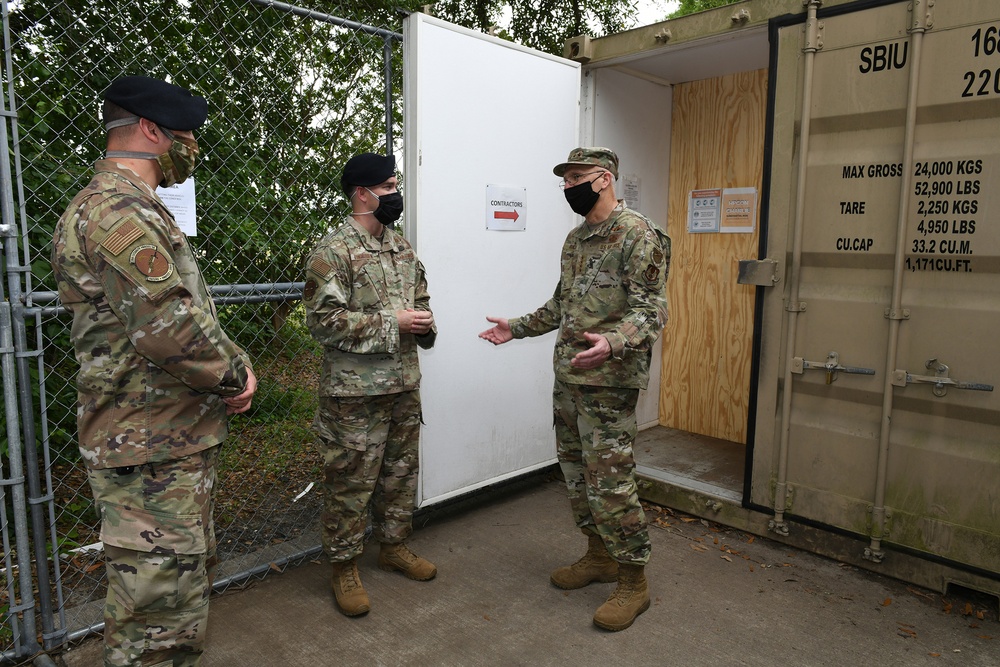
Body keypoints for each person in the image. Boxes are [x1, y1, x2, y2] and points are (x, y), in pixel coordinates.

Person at [51, 75, 257, 666]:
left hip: (164, 438)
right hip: (148, 445)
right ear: (150, 131)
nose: (191, 147)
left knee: (170, 595)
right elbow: (172, 332)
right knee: (157, 618)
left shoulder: (133, 209)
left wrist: (229, 365)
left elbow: (180, 311)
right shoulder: (118, 215)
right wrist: (235, 376)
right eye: (186, 136)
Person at [479, 147, 670, 632]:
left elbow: (652, 312)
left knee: (610, 481)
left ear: (604, 180)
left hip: (610, 385)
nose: (569, 187)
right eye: (565, 181)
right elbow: (561, 304)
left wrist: (613, 342)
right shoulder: (576, 239)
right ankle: (598, 555)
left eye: (577, 178)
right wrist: (515, 328)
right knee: (576, 473)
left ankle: (633, 581)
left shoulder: (638, 235)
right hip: (569, 381)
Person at [303, 152, 437, 617]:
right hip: (354, 395)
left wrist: (423, 323)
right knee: (350, 483)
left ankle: (394, 546)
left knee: (400, 475)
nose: (395, 194)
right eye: (387, 186)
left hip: (403, 384)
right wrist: (392, 322)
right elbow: (323, 322)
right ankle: (343, 566)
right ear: (362, 194)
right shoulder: (332, 252)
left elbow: (421, 300)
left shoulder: (402, 248)